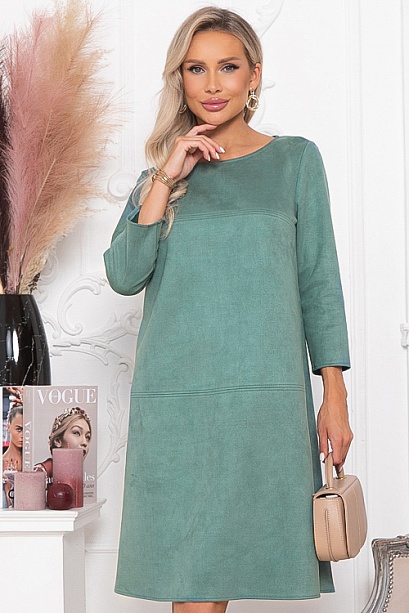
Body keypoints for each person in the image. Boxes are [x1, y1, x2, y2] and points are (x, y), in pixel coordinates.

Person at [104, 6, 353, 612]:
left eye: (228, 67)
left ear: (254, 75)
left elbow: (319, 279)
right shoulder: (161, 177)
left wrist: (335, 392)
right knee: (190, 589)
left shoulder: (295, 160)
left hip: (263, 404)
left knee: (217, 587)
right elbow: (123, 275)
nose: (212, 85)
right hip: (178, 406)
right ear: (180, 79)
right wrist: (167, 177)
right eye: (196, 69)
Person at [33, 407, 92, 484]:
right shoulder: (42, 472)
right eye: (76, 433)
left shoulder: (77, 476)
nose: (85, 442)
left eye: (87, 437)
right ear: (58, 440)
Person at [2, 388, 23, 508]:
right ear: (8, 427)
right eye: (19, 429)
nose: (23, 435)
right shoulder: (2, 462)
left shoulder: (35, 464)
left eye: (27, 430)